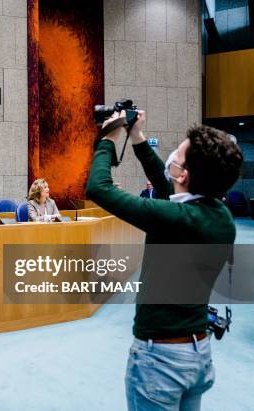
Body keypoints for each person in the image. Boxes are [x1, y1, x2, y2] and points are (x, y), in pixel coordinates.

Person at [86, 110, 243, 411]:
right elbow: (163, 180)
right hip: (198, 354)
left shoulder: (176, 219)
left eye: (179, 152)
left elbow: (99, 188)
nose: (172, 154)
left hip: (160, 361)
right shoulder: (219, 217)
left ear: (183, 174)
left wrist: (108, 138)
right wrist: (136, 136)